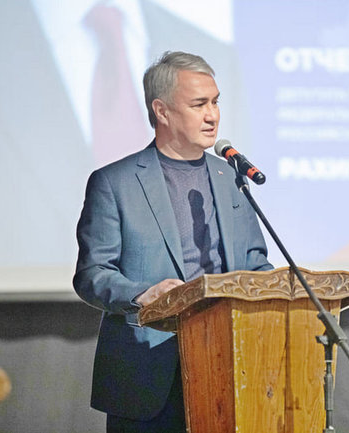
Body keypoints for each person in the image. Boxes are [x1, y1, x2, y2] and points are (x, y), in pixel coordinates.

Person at [73, 51, 272, 432]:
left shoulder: (230, 178)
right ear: (162, 111)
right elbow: (92, 274)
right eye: (199, 104)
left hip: (229, 367)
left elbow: (254, 264)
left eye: (215, 102)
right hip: (148, 373)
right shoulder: (115, 183)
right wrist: (143, 294)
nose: (212, 115)